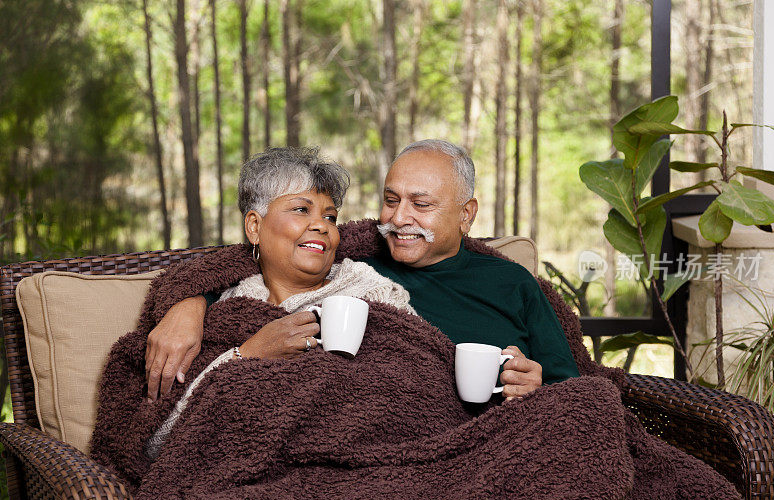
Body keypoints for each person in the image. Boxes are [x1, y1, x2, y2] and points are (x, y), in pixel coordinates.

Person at [144, 139, 579, 402]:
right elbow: (253, 269)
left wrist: (535, 388)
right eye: (391, 200)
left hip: (497, 435)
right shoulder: (355, 267)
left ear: (466, 215)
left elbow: (573, 395)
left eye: (421, 204)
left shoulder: (512, 283)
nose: (400, 218)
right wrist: (188, 302)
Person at [144, 146, 416, 453]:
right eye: (302, 210)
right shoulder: (224, 307)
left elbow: (417, 379)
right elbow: (160, 442)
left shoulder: (372, 290)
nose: (322, 225)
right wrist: (247, 354)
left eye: (330, 216)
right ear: (255, 226)